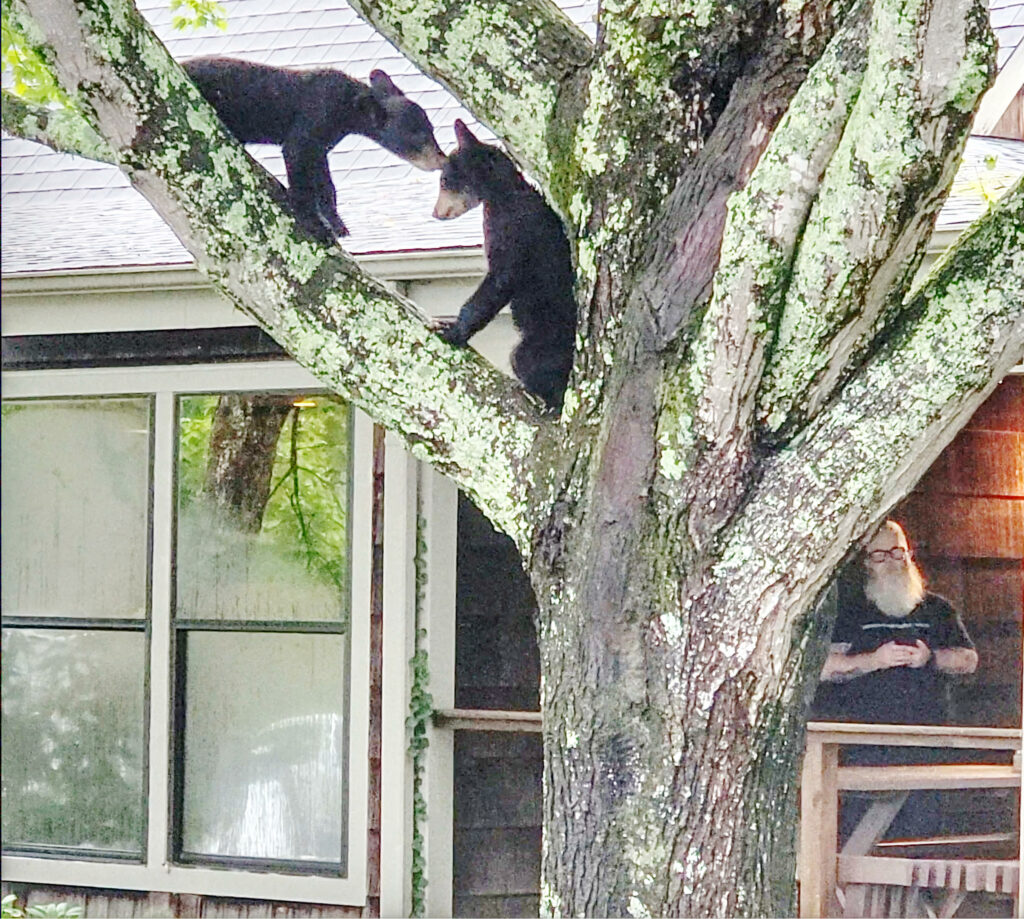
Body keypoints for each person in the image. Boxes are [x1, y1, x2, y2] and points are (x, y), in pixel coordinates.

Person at [814, 520, 979, 841]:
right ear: (865, 563)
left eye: (897, 552)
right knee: (857, 841)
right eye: (879, 556)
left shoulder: (937, 609)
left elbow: (969, 660)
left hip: (925, 750)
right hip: (862, 755)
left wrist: (930, 659)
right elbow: (822, 669)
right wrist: (873, 661)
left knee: (921, 843)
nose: (891, 562)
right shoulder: (851, 610)